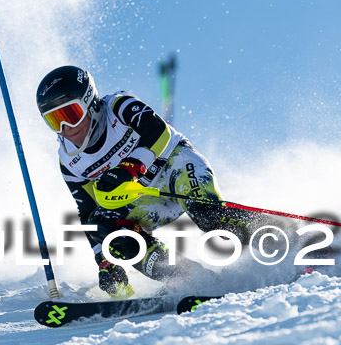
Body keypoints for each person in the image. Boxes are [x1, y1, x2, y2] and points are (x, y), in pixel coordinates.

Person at [36, 65, 260, 297]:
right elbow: (88, 211)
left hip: (175, 168)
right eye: (54, 121)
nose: (66, 128)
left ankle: (283, 237)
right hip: (145, 200)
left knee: (208, 215)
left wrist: (131, 167)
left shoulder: (118, 106)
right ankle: (192, 279)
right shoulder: (69, 161)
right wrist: (104, 261)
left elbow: (159, 132)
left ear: (90, 102)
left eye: (70, 114)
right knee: (115, 237)